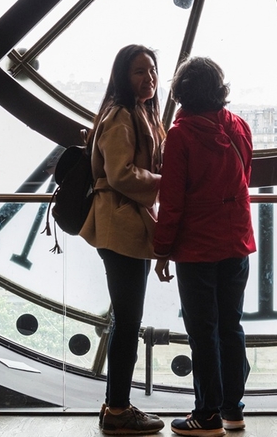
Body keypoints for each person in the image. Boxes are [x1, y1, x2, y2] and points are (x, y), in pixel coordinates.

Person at [154, 56, 255, 437]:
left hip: (197, 246)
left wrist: (162, 250)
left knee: (203, 332)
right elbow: (244, 176)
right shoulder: (238, 127)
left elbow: (173, 200)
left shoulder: (180, 136)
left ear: (181, 91)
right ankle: (232, 408)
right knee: (231, 327)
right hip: (237, 240)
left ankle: (206, 413)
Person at [79, 44, 167, 435]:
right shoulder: (128, 116)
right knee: (128, 320)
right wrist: (167, 184)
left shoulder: (122, 115)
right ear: (123, 77)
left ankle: (116, 405)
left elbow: (117, 173)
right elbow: (121, 175)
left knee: (125, 319)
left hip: (118, 225)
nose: (148, 77)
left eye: (151, 70)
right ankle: (117, 408)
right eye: (140, 71)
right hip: (124, 225)